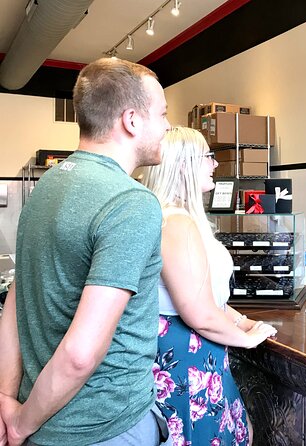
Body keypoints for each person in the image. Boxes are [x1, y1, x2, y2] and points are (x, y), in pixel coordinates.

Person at [0, 58, 171, 446]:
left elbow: (16, 299)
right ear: (131, 120)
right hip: (103, 428)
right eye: (161, 114)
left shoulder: (47, 185)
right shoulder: (132, 202)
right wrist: (22, 423)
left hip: (37, 420)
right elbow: (81, 354)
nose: (166, 126)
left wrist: (7, 401)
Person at [141, 126, 277, 446]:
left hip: (204, 353)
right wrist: (246, 339)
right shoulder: (176, 223)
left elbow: (205, 295)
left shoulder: (179, 219)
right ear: (186, 165)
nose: (215, 165)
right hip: (187, 358)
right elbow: (199, 313)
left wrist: (242, 321)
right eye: (208, 157)